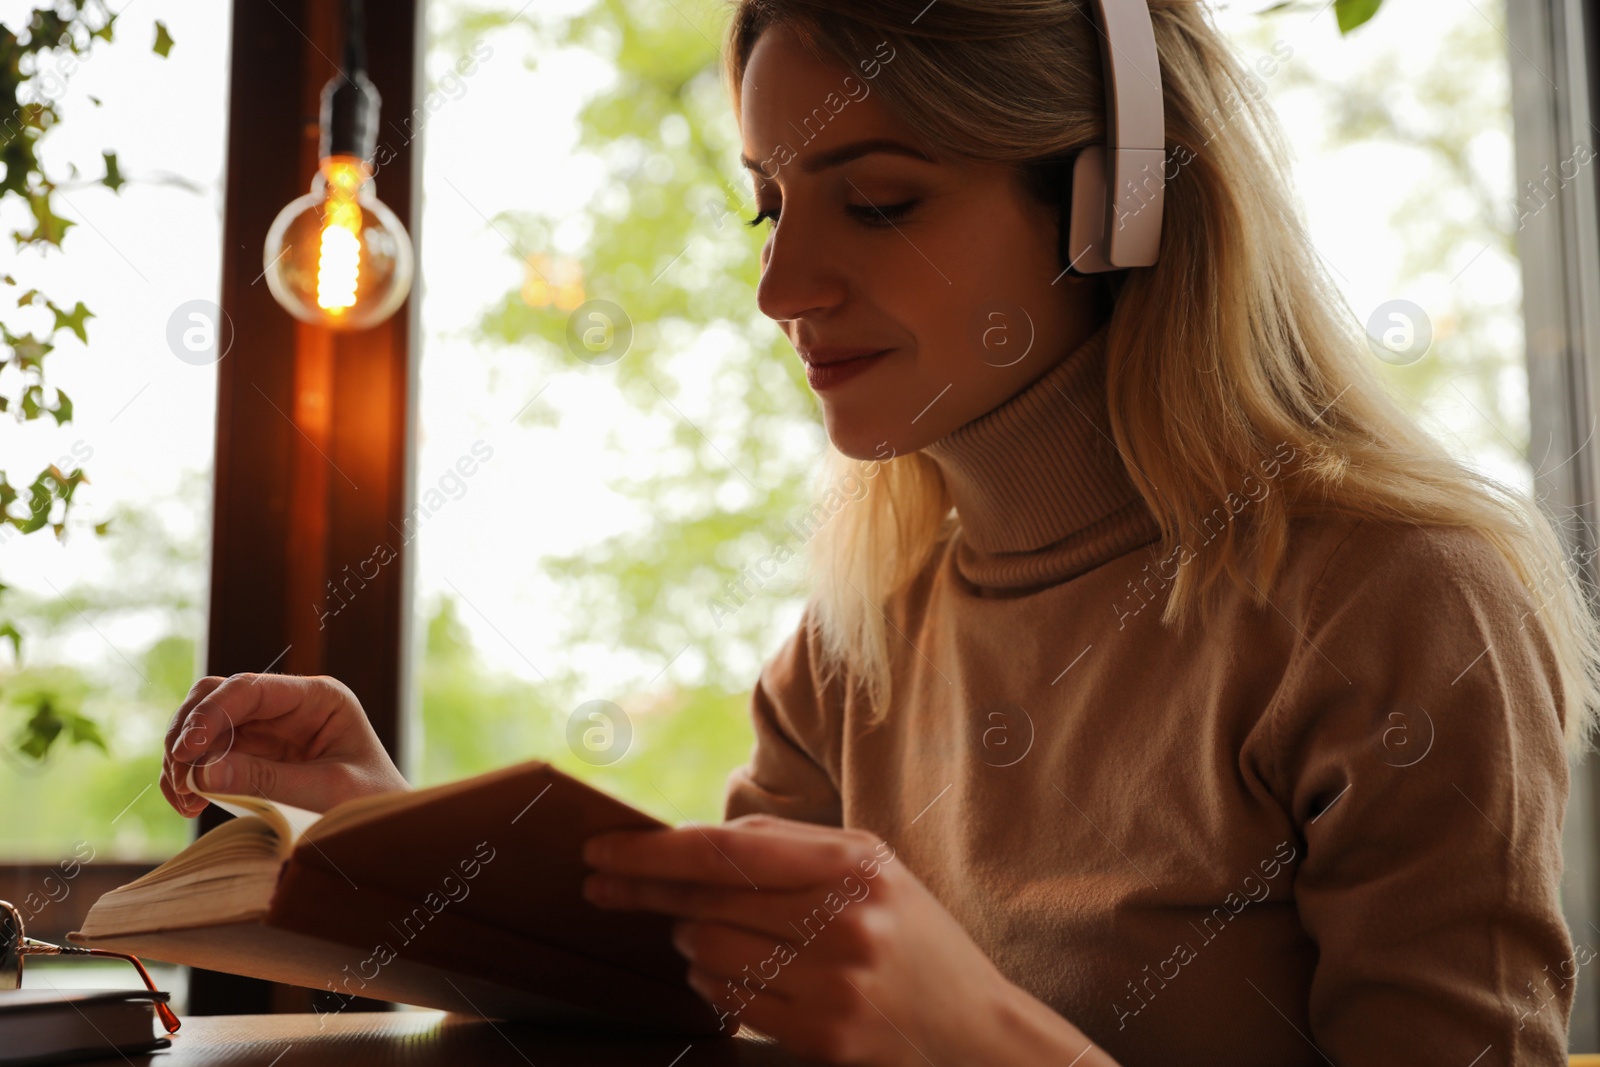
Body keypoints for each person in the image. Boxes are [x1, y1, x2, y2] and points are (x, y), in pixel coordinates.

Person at [162, 1, 1600, 1063]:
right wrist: (385, 834)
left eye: (880, 199)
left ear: (1121, 204)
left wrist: (973, 1036)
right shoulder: (852, 644)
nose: (782, 285)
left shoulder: (1403, 602)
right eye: (770, 204)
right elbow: (673, 1008)